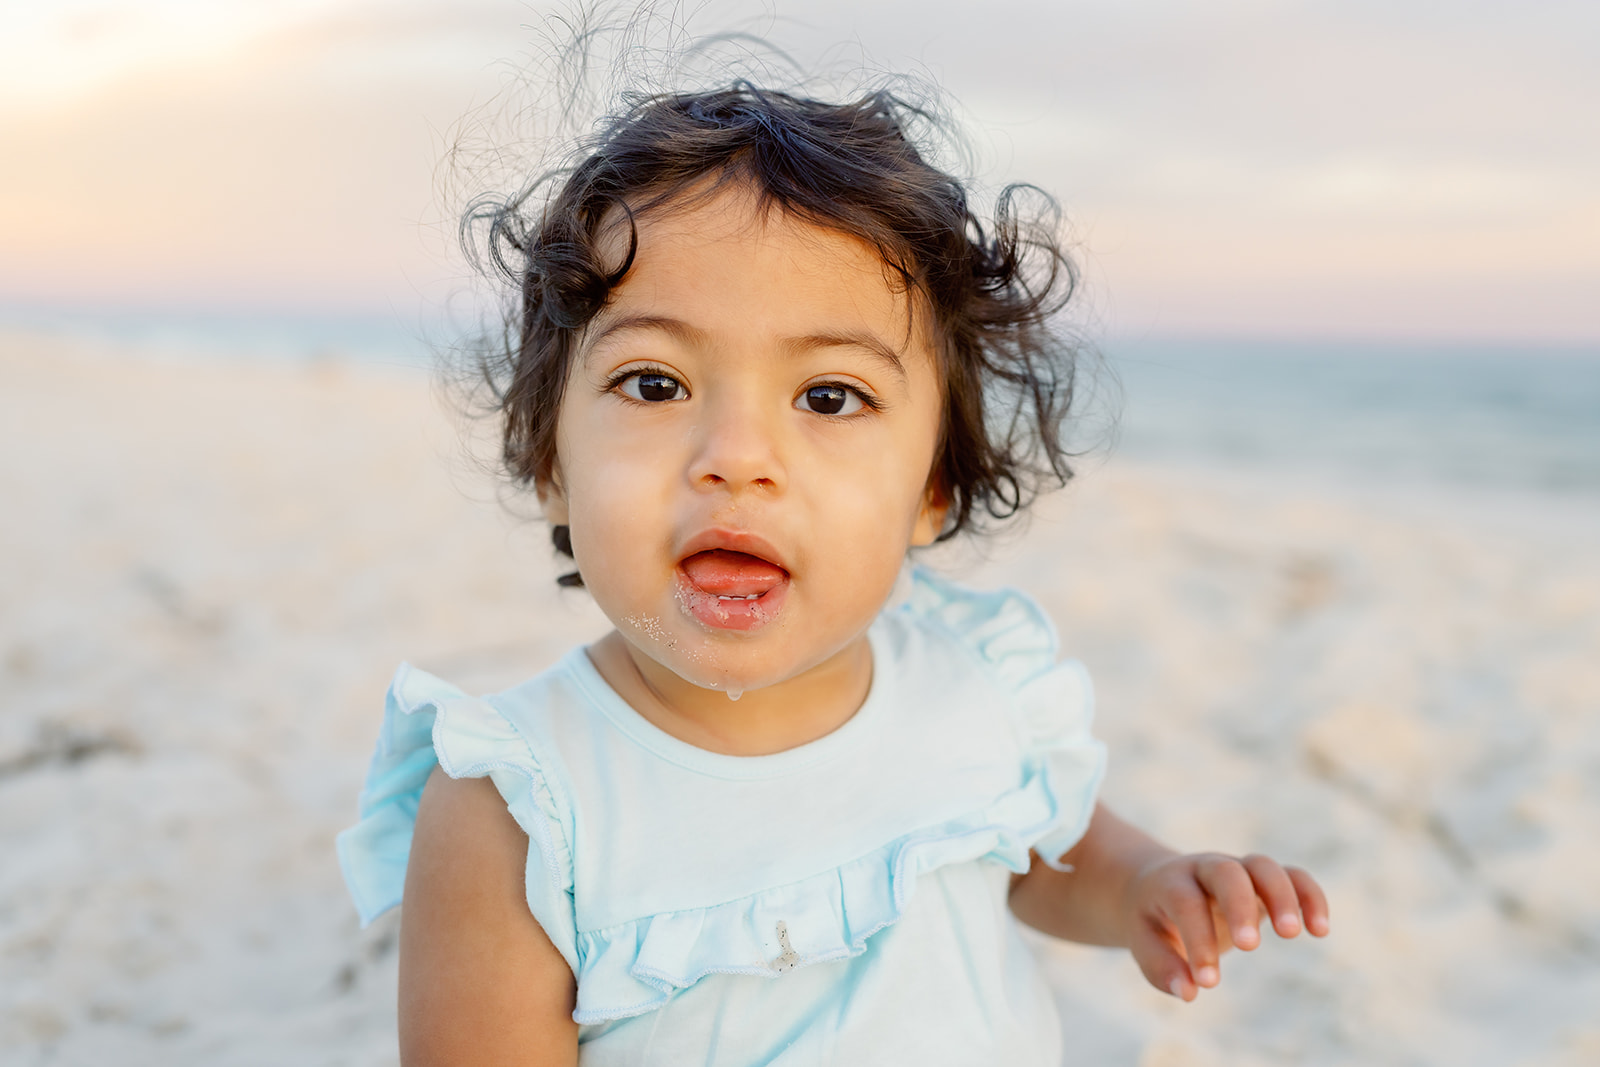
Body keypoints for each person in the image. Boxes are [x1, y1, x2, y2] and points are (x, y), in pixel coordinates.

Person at [337, 83, 1329, 1065]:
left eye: (827, 394)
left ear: (934, 486)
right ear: (552, 465)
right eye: (654, 382)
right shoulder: (517, 806)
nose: (737, 455)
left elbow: (1041, 856)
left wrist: (1145, 885)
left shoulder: (976, 683)